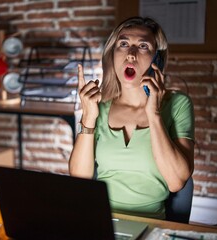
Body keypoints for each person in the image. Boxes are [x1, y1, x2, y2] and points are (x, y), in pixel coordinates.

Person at [69, 16, 195, 219]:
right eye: (124, 44)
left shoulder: (178, 104)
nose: (131, 54)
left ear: (157, 59)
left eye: (143, 46)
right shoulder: (100, 108)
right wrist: (89, 118)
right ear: (112, 54)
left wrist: (153, 114)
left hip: (152, 225)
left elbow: (176, 181)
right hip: (100, 221)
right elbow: (79, 178)